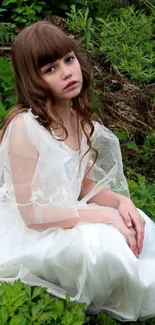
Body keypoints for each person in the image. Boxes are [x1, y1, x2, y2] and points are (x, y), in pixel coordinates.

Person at [0, 20, 154, 322]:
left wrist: (122, 203)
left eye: (68, 60)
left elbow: (85, 188)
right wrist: (104, 216)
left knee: (141, 228)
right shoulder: (25, 127)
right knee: (105, 245)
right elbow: (32, 214)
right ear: (33, 79)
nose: (67, 72)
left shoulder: (79, 119)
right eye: (50, 69)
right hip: (37, 228)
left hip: (69, 212)